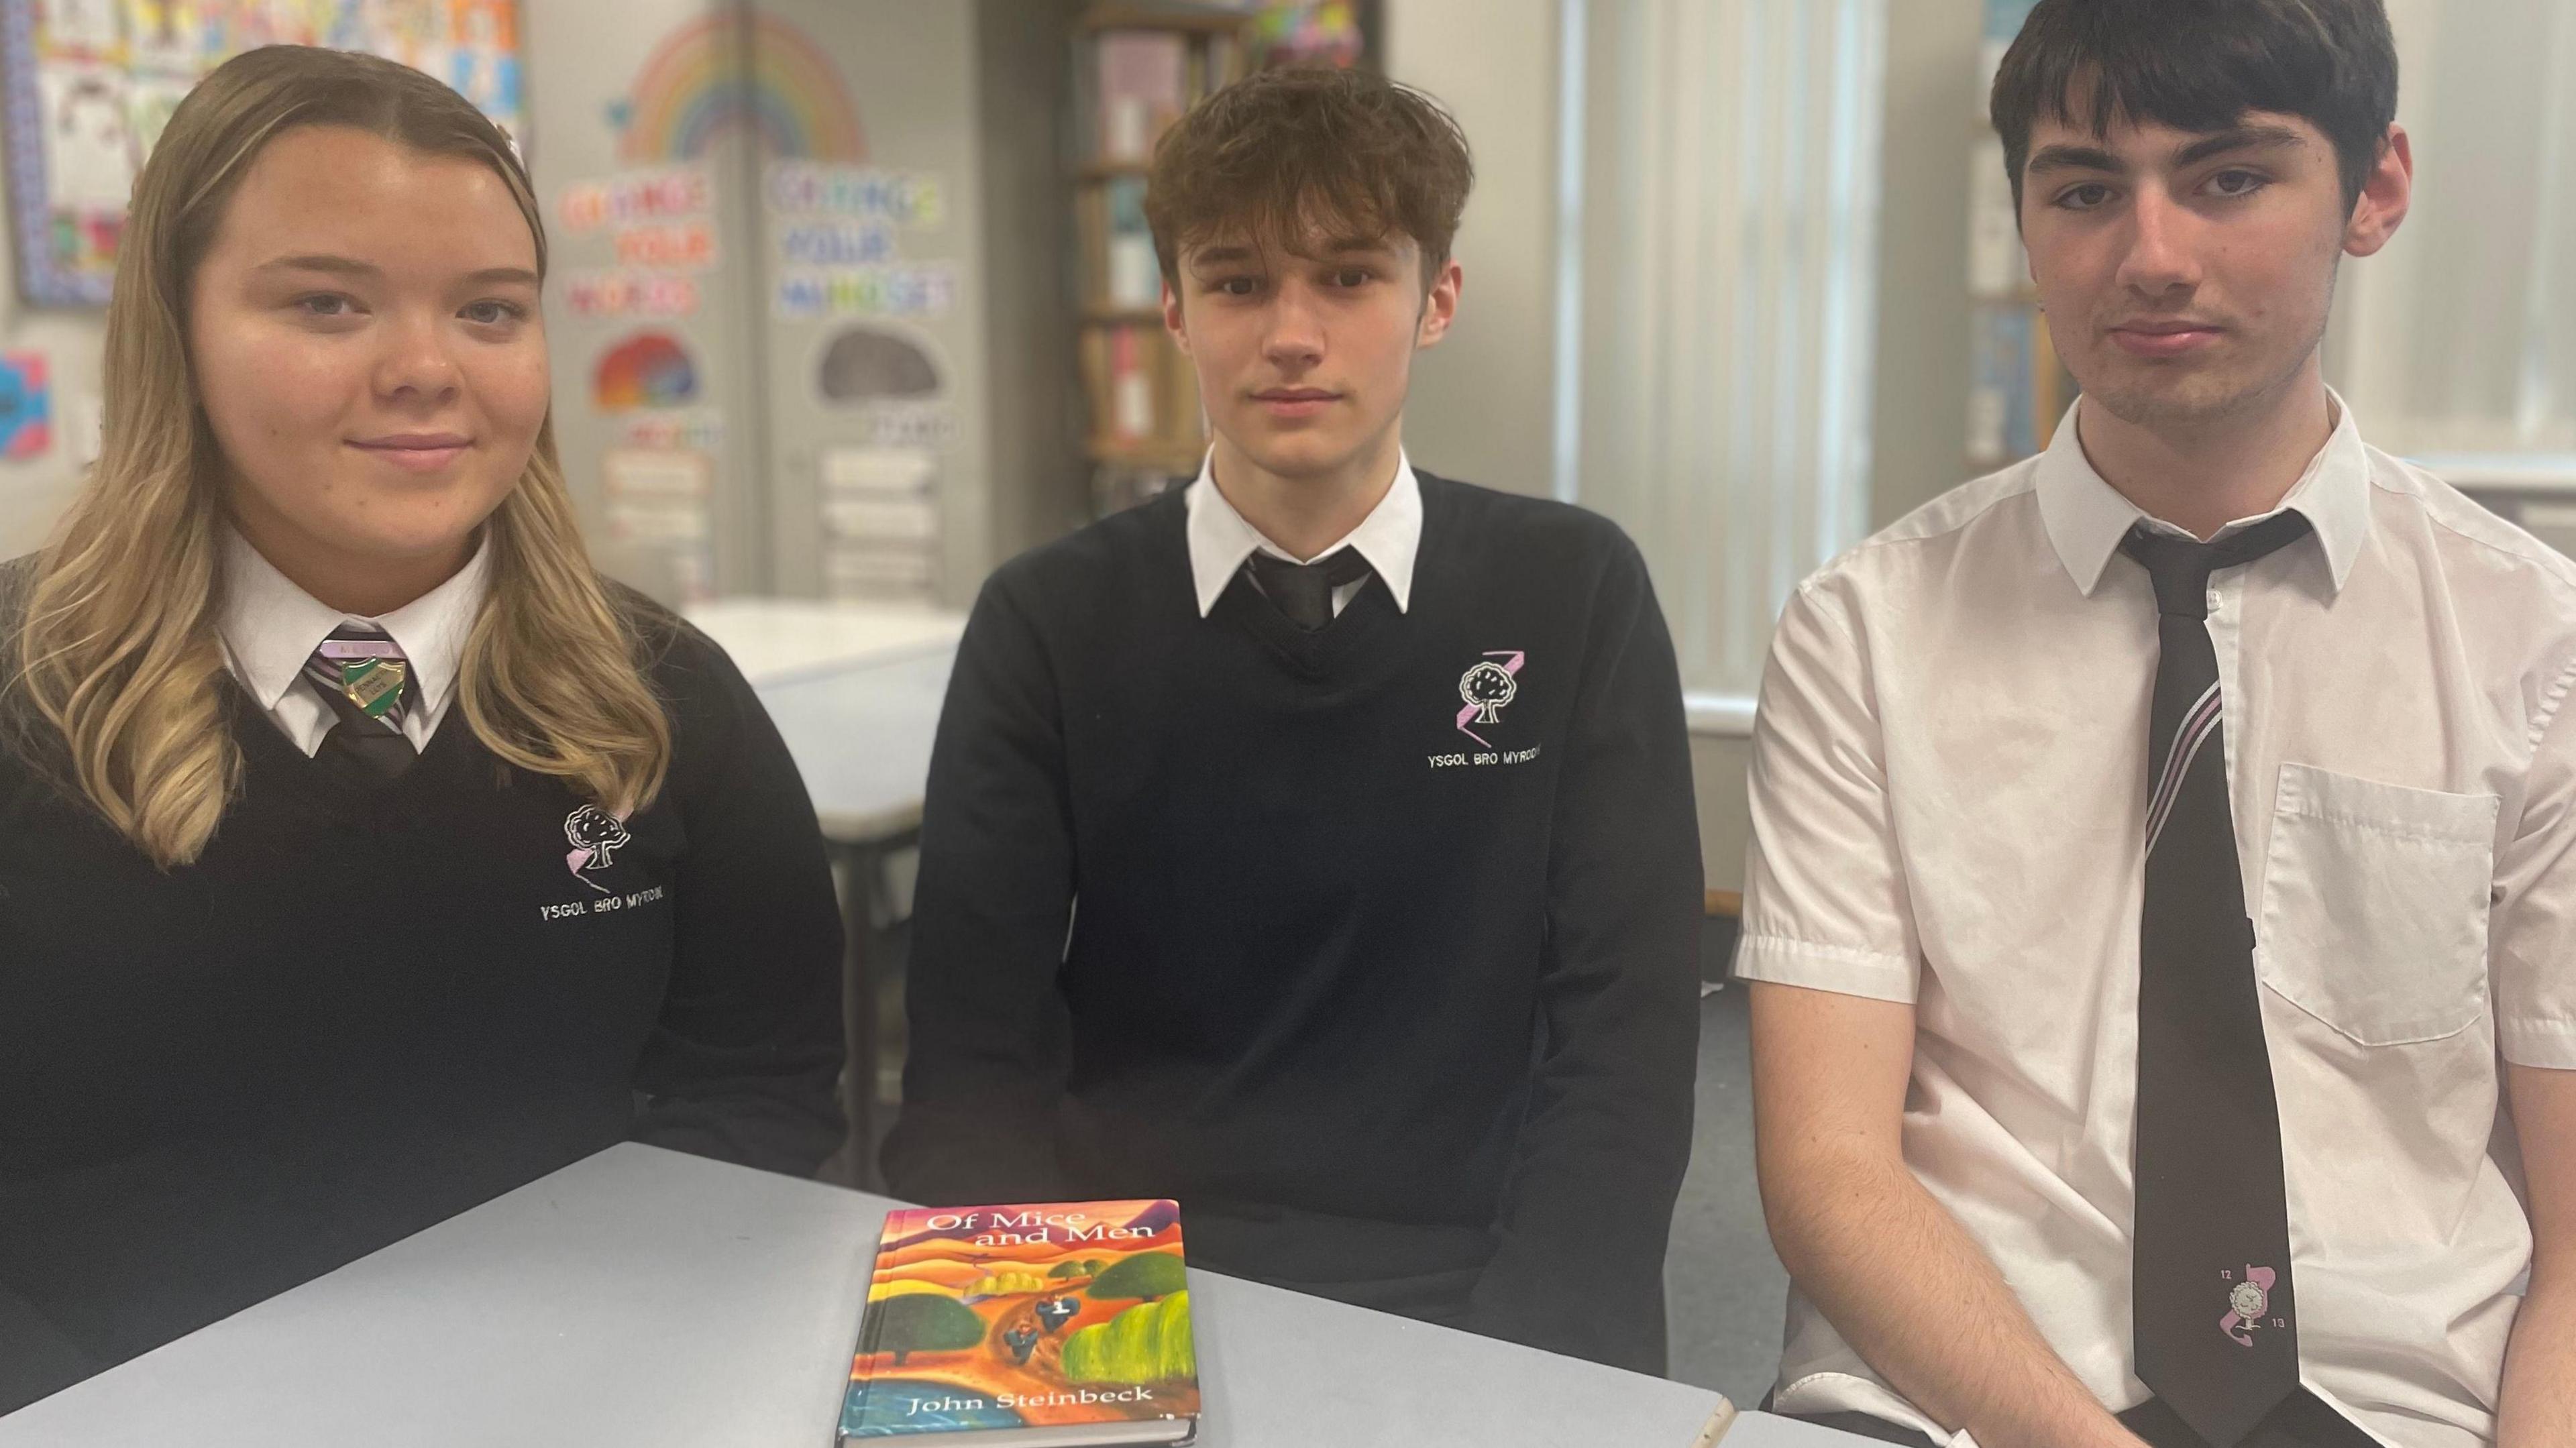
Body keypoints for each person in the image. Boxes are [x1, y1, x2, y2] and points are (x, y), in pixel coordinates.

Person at [1739, 2, 2576, 1445]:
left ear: (2373, 190)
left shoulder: (2535, 647)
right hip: (1961, 1395)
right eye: (2082, 190)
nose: (2151, 255)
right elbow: (1829, 1170)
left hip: (2392, 1401)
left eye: (2230, 178)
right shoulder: (1863, 633)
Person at [0, 46, 843, 1414]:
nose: (425, 371)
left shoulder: (664, 698)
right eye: (328, 304)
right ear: (177, 330)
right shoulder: (19, 694)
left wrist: (594, 1363)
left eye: (491, 312)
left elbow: (764, 1083)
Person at [881, 66, 1701, 1374]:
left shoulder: (1572, 590)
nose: (1294, 334)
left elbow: (1629, 1029)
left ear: (1436, 300)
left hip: (1471, 1264)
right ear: (1176, 308)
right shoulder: (1048, 620)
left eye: (1350, 277)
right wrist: (1015, 1358)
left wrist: (1543, 1363)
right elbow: (975, 1053)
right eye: (1240, 280)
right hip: (1120, 1278)